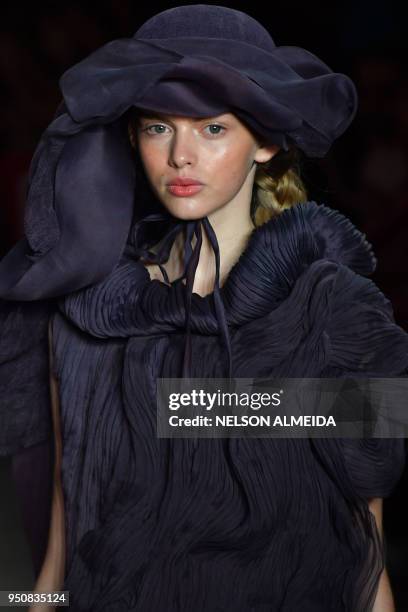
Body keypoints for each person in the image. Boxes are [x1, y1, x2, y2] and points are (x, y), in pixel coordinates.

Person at [0, 5, 407, 611]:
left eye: (212, 128)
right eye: (158, 127)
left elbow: (363, 539)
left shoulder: (337, 310)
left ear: (266, 143)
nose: (180, 156)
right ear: (132, 137)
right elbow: (63, 542)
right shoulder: (90, 313)